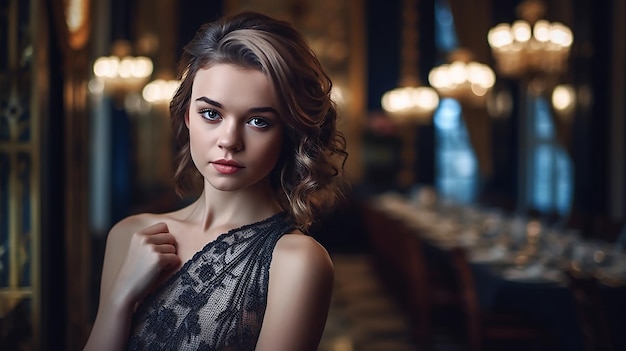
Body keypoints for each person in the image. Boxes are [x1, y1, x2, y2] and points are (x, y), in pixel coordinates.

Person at [84, 10, 348, 351]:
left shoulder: (298, 262)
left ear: (290, 132)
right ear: (187, 117)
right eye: (212, 114)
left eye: (258, 121)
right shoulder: (129, 236)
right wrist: (120, 298)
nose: (229, 140)